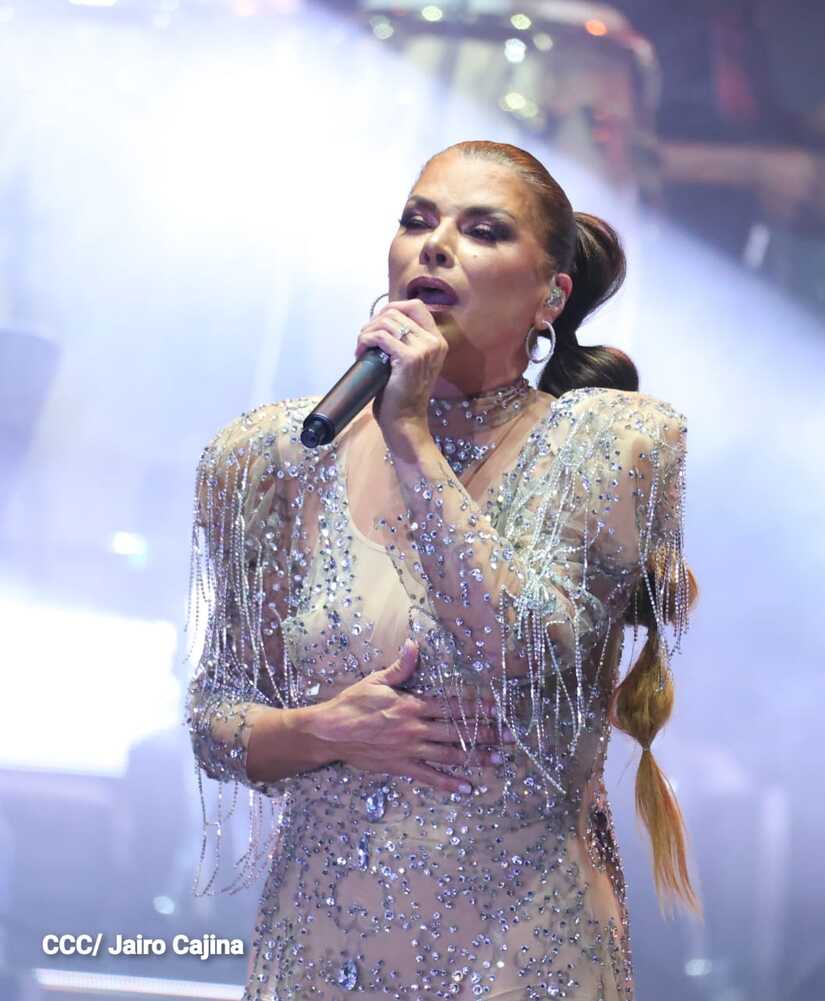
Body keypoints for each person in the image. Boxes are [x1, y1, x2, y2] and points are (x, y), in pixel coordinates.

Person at [184, 139, 701, 1000]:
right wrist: (326, 730)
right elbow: (215, 719)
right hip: (319, 948)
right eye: (417, 221)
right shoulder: (273, 457)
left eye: (482, 230)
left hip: (519, 953)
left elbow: (529, 656)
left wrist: (411, 436)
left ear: (549, 297)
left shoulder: (610, 444)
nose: (435, 245)